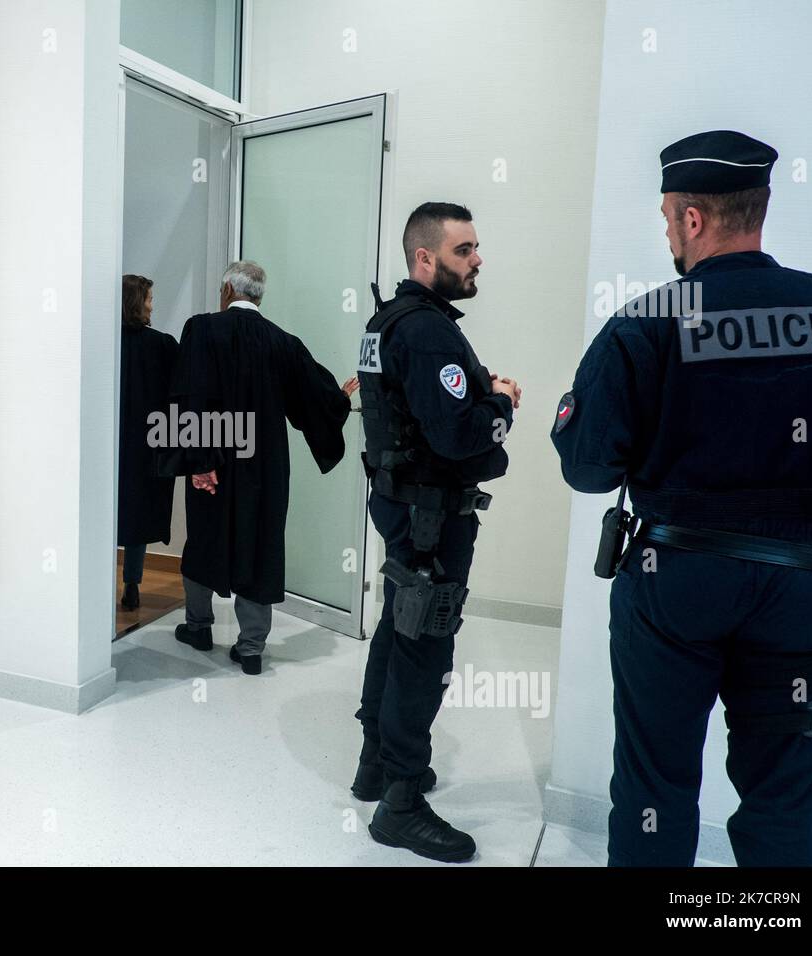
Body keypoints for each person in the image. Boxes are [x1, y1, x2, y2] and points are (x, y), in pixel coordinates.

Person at [551, 130, 812, 867]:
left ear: (691, 218)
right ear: (761, 205)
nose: (668, 236)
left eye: (666, 220)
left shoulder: (648, 320)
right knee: (786, 802)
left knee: (655, 790)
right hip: (805, 585)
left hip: (676, 581)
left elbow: (589, 469)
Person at [354, 203, 521, 863]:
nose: (478, 259)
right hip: (429, 514)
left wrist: (478, 395)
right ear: (425, 259)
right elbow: (454, 434)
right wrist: (502, 401)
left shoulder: (383, 321)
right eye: (465, 250)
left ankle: (375, 762)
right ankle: (400, 800)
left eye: (476, 247)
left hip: (399, 503)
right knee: (425, 643)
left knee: (401, 623)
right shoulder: (426, 331)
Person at [162, 261, 357, 675]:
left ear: (227, 291)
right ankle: (250, 649)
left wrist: (199, 461)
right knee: (261, 544)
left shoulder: (201, 330)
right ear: (257, 297)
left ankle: (198, 627)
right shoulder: (282, 342)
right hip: (265, 469)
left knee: (204, 539)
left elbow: (187, 394)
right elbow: (313, 399)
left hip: (212, 463)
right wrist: (337, 399)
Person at [117, 275, 179, 611]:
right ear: (138, 302)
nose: (153, 304)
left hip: (108, 444)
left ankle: (98, 583)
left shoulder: (102, 343)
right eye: (150, 298)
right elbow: (181, 392)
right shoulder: (163, 345)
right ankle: (132, 582)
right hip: (148, 443)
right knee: (138, 515)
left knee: (106, 514)